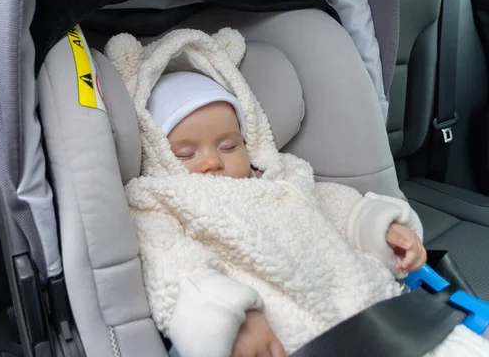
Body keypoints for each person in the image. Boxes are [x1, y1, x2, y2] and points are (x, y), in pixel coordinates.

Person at [105, 28, 489, 357]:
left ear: (248, 139)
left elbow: (338, 206)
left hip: (374, 311)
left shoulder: (283, 176)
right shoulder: (158, 202)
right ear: (155, 152)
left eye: (228, 145)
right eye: (186, 153)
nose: (212, 162)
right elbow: (173, 267)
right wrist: (228, 319)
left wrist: (382, 229)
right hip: (285, 332)